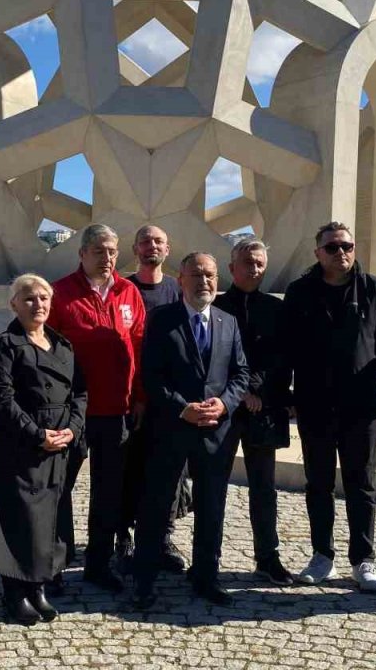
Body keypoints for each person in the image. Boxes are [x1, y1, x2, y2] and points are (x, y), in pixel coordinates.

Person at [280, 221, 376, 592]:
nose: (341, 253)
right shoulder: (300, 292)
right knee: (318, 483)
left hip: (360, 406)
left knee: (361, 484)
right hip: (314, 405)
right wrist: (285, 394)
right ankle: (323, 556)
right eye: (332, 247)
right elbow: (286, 349)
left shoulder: (375, 290)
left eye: (347, 246)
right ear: (317, 253)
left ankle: (363, 560)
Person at [132, 252, 249, 609]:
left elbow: (240, 374)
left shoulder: (228, 321)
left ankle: (205, 577)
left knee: (212, 507)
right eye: (196, 275)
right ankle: (144, 582)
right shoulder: (160, 319)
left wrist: (225, 404)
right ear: (180, 279)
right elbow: (151, 376)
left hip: (216, 432)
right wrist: (182, 408)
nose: (204, 282)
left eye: (210, 275)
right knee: (157, 506)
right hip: (171, 429)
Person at [0, 274, 86, 626]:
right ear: (13, 305)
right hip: (21, 445)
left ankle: (38, 586)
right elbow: (1, 398)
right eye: (28, 299)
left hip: (59, 445)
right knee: (18, 518)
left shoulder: (64, 345)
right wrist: (37, 434)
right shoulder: (6, 345)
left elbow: (80, 393)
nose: (37, 304)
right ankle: (15, 593)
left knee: (48, 520)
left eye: (43, 298)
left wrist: (72, 429)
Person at [48, 223, 146, 594]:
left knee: (108, 492)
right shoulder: (61, 293)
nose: (107, 258)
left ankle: (99, 564)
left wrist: (140, 398)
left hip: (116, 410)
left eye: (112, 251)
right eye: (99, 251)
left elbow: (138, 347)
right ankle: (54, 564)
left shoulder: (128, 292)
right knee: (61, 489)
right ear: (82, 254)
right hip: (72, 411)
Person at [213, 239, 295, 585]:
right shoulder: (216, 307)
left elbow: (283, 358)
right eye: (247, 262)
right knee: (213, 485)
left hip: (263, 409)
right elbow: (212, 357)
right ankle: (208, 557)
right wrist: (240, 392)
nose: (254, 269)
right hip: (223, 409)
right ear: (232, 268)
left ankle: (267, 556)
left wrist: (257, 389)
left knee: (264, 488)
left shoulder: (276, 310)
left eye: (259, 263)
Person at [120, 224, 189, 575]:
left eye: (158, 241)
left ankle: (163, 536)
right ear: (135, 248)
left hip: (167, 400)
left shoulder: (178, 290)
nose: (152, 246)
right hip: (129, 398)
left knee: (169, 473)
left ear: (168, 248)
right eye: (145, 241)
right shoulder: (122, 288)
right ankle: (125, 536)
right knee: (127, 469)